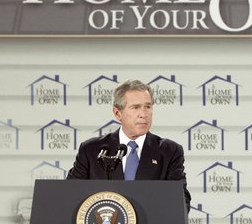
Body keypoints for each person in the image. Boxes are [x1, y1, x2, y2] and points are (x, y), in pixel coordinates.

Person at [67, 79, 191, 211]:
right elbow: (69, 196)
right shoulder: (91, 150)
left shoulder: (169, 151)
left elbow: (181, 202)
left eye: (148, 107)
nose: (143, 114)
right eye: (136, 107)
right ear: (118, 113)